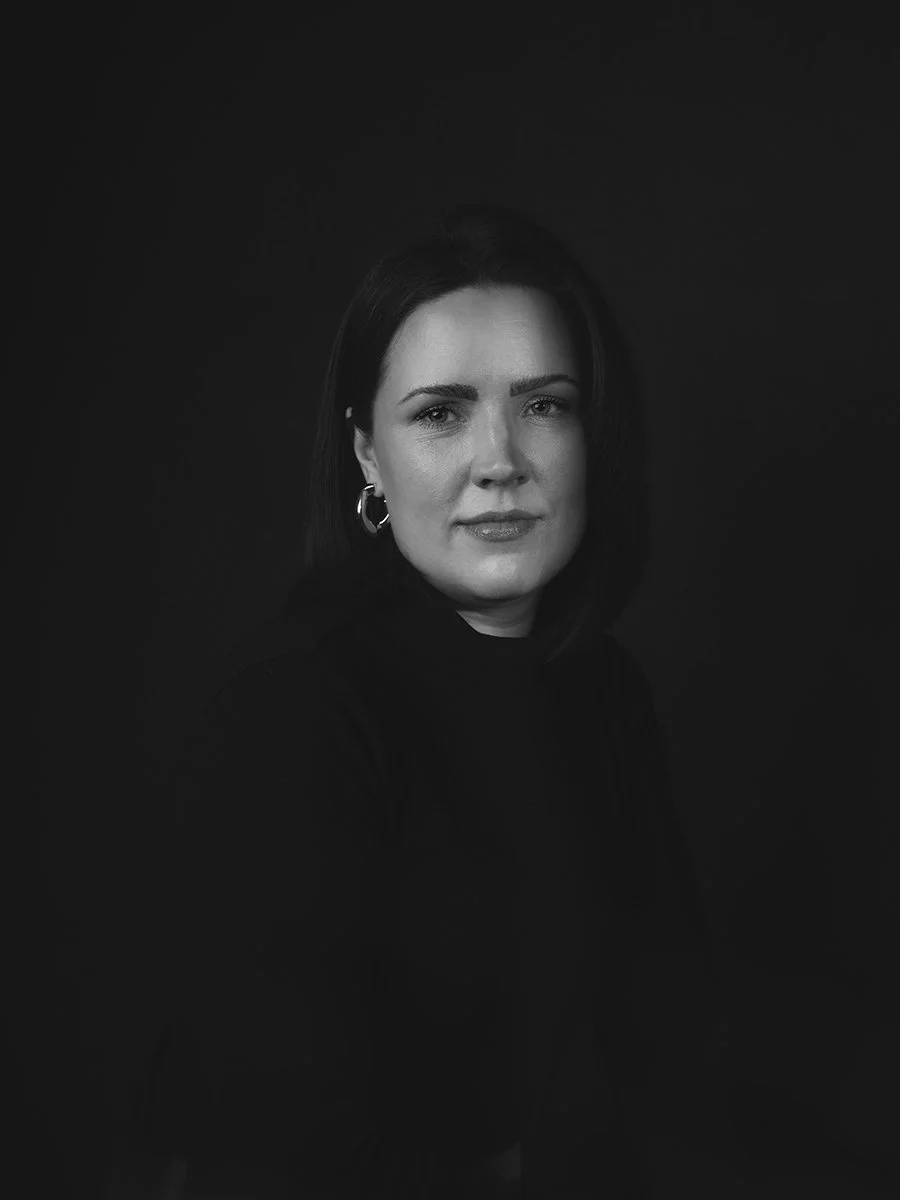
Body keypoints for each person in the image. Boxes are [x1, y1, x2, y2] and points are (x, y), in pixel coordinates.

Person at [127, 202, 717, 1198]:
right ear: (367, 456)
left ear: (593, 432)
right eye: (441, 412)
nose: (500, 462)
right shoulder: (298, 709)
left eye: (547, 404)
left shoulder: (604, 692)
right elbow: (282, 1151)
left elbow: (671, 1053)